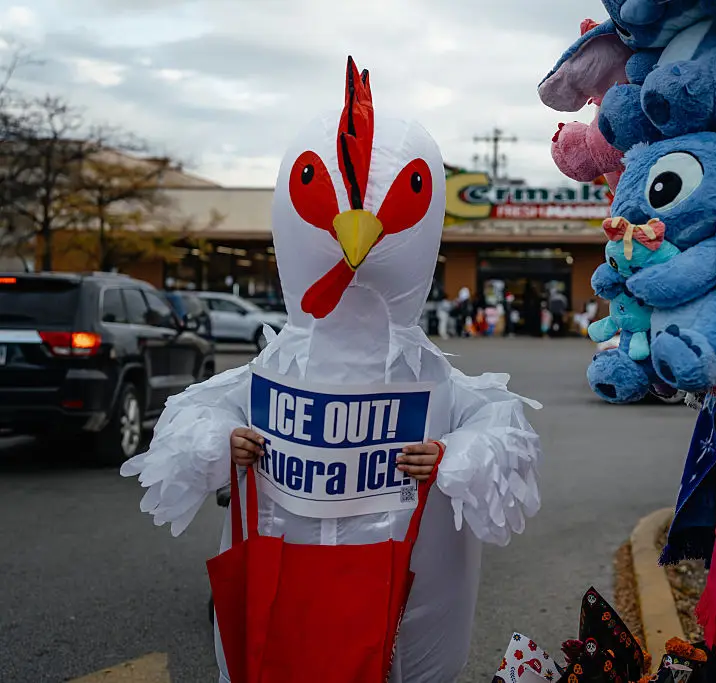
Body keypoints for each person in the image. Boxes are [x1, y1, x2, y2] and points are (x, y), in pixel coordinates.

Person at [120, 66, 542, 683]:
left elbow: (500, 424)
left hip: (405, 590)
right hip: (281, 574)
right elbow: (196, 411)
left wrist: (461, 454)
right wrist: (217, 439)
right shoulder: (276, 368)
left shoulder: (430, 380)